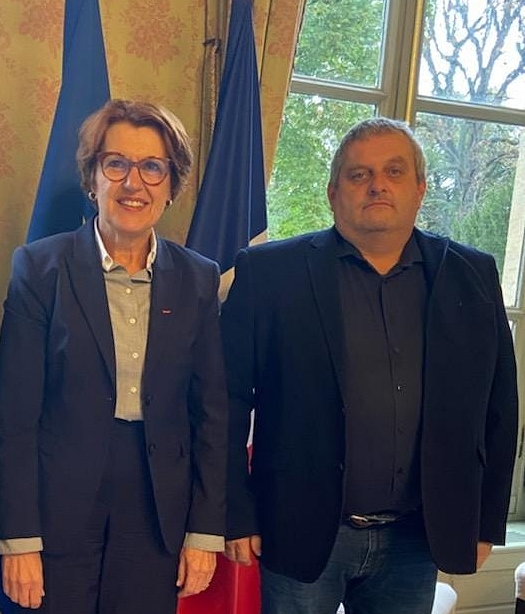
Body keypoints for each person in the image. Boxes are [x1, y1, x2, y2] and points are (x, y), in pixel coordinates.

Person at [222, 117, 518, 614]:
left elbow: (499, 409)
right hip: (300, 529)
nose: (378, 184)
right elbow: (223, 402)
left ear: (420, 188)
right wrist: (235, 513)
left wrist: (485, 521)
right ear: (333, 192)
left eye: (395, 171)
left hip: (416, 537)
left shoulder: (472, 276)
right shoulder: (269, 275)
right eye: (359, 174)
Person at [0, 99, 228, 614]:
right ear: (92, 177)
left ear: (171, 183)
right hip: (59, 507)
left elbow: (211, 414)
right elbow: (14, 417)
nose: (133, 183)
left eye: (152, 167)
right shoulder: (40, 268)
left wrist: (205, 532)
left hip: (158, 507)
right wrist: (20, 538)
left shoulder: (198, 279)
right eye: (115, 163)